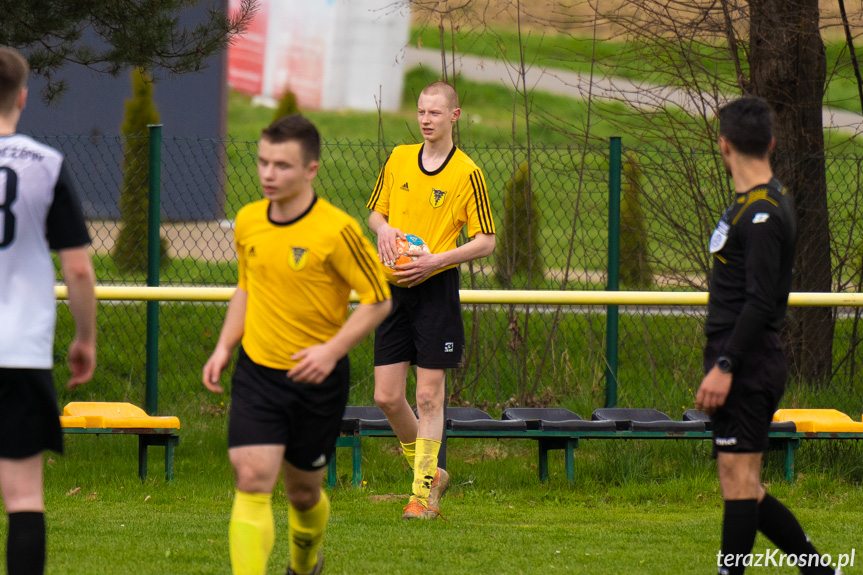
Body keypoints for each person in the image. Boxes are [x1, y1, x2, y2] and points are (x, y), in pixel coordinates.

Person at [203, 114, 391, 575]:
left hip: (317, 380)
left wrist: (330, 351)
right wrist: (225, 346)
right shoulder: (247, 221)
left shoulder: (337, 230)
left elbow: (378, 300)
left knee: (303, 493)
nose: (268, 174)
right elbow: (247, 288)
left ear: (310, 170)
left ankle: (305, 566)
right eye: (263, 162)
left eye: (282, 166)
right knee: (251, 478)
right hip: (258, 372)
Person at [695, 96, 838, 575]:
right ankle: (819, 571)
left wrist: (725, 366)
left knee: (738, 483)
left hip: (747, 361)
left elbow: (759, 302)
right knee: (744, 484)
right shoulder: (749, 204)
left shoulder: (763, 213)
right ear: (772, 143)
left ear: (724, 145)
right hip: (741, 357)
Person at [367, 81, 495, 520]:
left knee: (428, 396)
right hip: (393, 288)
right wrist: (382, 229)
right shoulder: (399, 158)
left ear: (454, 116)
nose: (426, 119)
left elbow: (486, 242)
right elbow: (375, 212)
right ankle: (431, 474)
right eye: (421, 111)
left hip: (435, 290)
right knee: (386, 396)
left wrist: (435, 261)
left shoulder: (467, 174)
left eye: (435, 113)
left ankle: (422, 495)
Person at [0, 46, 97, 575]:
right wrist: (85, 339)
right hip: (20, 351)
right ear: (23, 96)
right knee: (23, 497)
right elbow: (78, 269)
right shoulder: (47, 164)